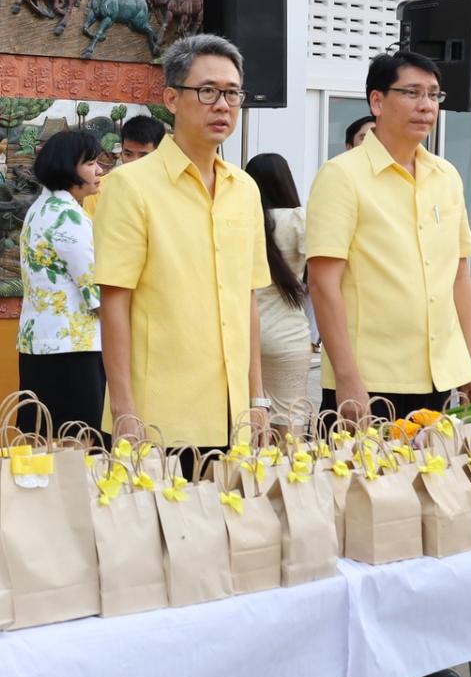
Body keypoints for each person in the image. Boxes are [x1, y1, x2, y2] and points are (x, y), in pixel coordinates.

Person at [306, 50, 471, 677]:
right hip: (369, 381)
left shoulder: (445, 176)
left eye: (433, 94)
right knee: (363, 519)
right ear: (377, 102)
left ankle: (413, 647)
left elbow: (459, 273)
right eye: (412, 92)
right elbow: (324, 282)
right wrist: (347, 378)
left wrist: (468, 360)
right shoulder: (342, 177)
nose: (426, 105)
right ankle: (362, 655)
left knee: (425, 512)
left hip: (436, 372)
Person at [95, 34, 268, 456]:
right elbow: (114, 301)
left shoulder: (244, 188)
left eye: (232, 93)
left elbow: (246, 299)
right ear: (171, 99)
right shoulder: (129, 185)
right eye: (207, 91)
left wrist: (257, 398)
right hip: (158, 417)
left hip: (234, 415)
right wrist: (123, 409)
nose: (222, 105)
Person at [17, 129, 106, 437]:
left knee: (43, 441)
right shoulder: (69, 217)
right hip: (73, 347)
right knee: (81, 443)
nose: (100, 170)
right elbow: (96, 290)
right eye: (91, 163)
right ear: (68, 168)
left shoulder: (38, 209)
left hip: (37, 344)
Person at [244, 153, 312, 411]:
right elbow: (317, 275)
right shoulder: (298, 220)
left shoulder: (244, 221)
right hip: (289, 334)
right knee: (290, 420)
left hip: (246, 334)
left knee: (248, 419)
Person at [84, 114, 165, 216]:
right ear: (121, 151)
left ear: (159, 153)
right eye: (128, 154)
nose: (134, 162)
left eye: (143, 155)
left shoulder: (169, 190)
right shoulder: (99, 189)